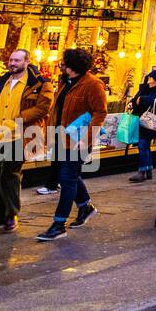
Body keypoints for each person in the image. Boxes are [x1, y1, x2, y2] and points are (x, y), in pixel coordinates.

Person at [37, 49, 106, 242]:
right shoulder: (65, 81)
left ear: (72, 66)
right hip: (59, 137)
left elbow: (100, 113)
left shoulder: (93, 84)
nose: (61, 64)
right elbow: (57, 110)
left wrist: (86, 139)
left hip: (77, 142)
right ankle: (85, 207)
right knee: (68, 175)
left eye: (64, 62)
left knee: (67, 179)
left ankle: (58, 224)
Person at [0, 51, 51, 233]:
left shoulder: (39, 83)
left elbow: (43, 107)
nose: (12, 63)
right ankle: (1, 214)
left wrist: (18, 119)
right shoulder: (1, 81)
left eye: (17, 60)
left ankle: (11, 214)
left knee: (10, 174)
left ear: (26, 62)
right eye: (11, 60)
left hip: (19, 136)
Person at [128, 69, 156, 183]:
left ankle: (141, 172)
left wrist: (142, 99)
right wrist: (134, 101)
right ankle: (148, 169)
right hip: (141, 121)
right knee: (145, 146)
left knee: (143, 145)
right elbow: (135, 99)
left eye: (151, 77)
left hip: (152, 122)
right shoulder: (144, 88)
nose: (149, 79)